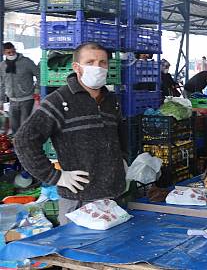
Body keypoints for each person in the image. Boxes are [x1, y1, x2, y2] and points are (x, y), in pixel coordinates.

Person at [13, 42, 126, 225]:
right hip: (79, 200)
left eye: (102, 63)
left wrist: (124, 159)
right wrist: (55, 176)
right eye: (90, 62)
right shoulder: (59, 101)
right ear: (77, 67)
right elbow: (23, 140)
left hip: (114, 195)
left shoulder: (111, 101)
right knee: (77, 251)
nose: (97, 67)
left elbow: (120, 133)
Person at [0, 42, 39, 135]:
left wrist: (37, 89)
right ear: (4, 53)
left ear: (15, 49)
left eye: (12, 51)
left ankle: (24, 147)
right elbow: (1, 84)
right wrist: (1, 101)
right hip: (12, 101)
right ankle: (17, 147)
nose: (11, 53)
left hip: (27, 99)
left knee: (24, 126)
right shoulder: (2, 65)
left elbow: (39, 74)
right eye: (8, 52)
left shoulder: (26, 62)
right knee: (14, 127)